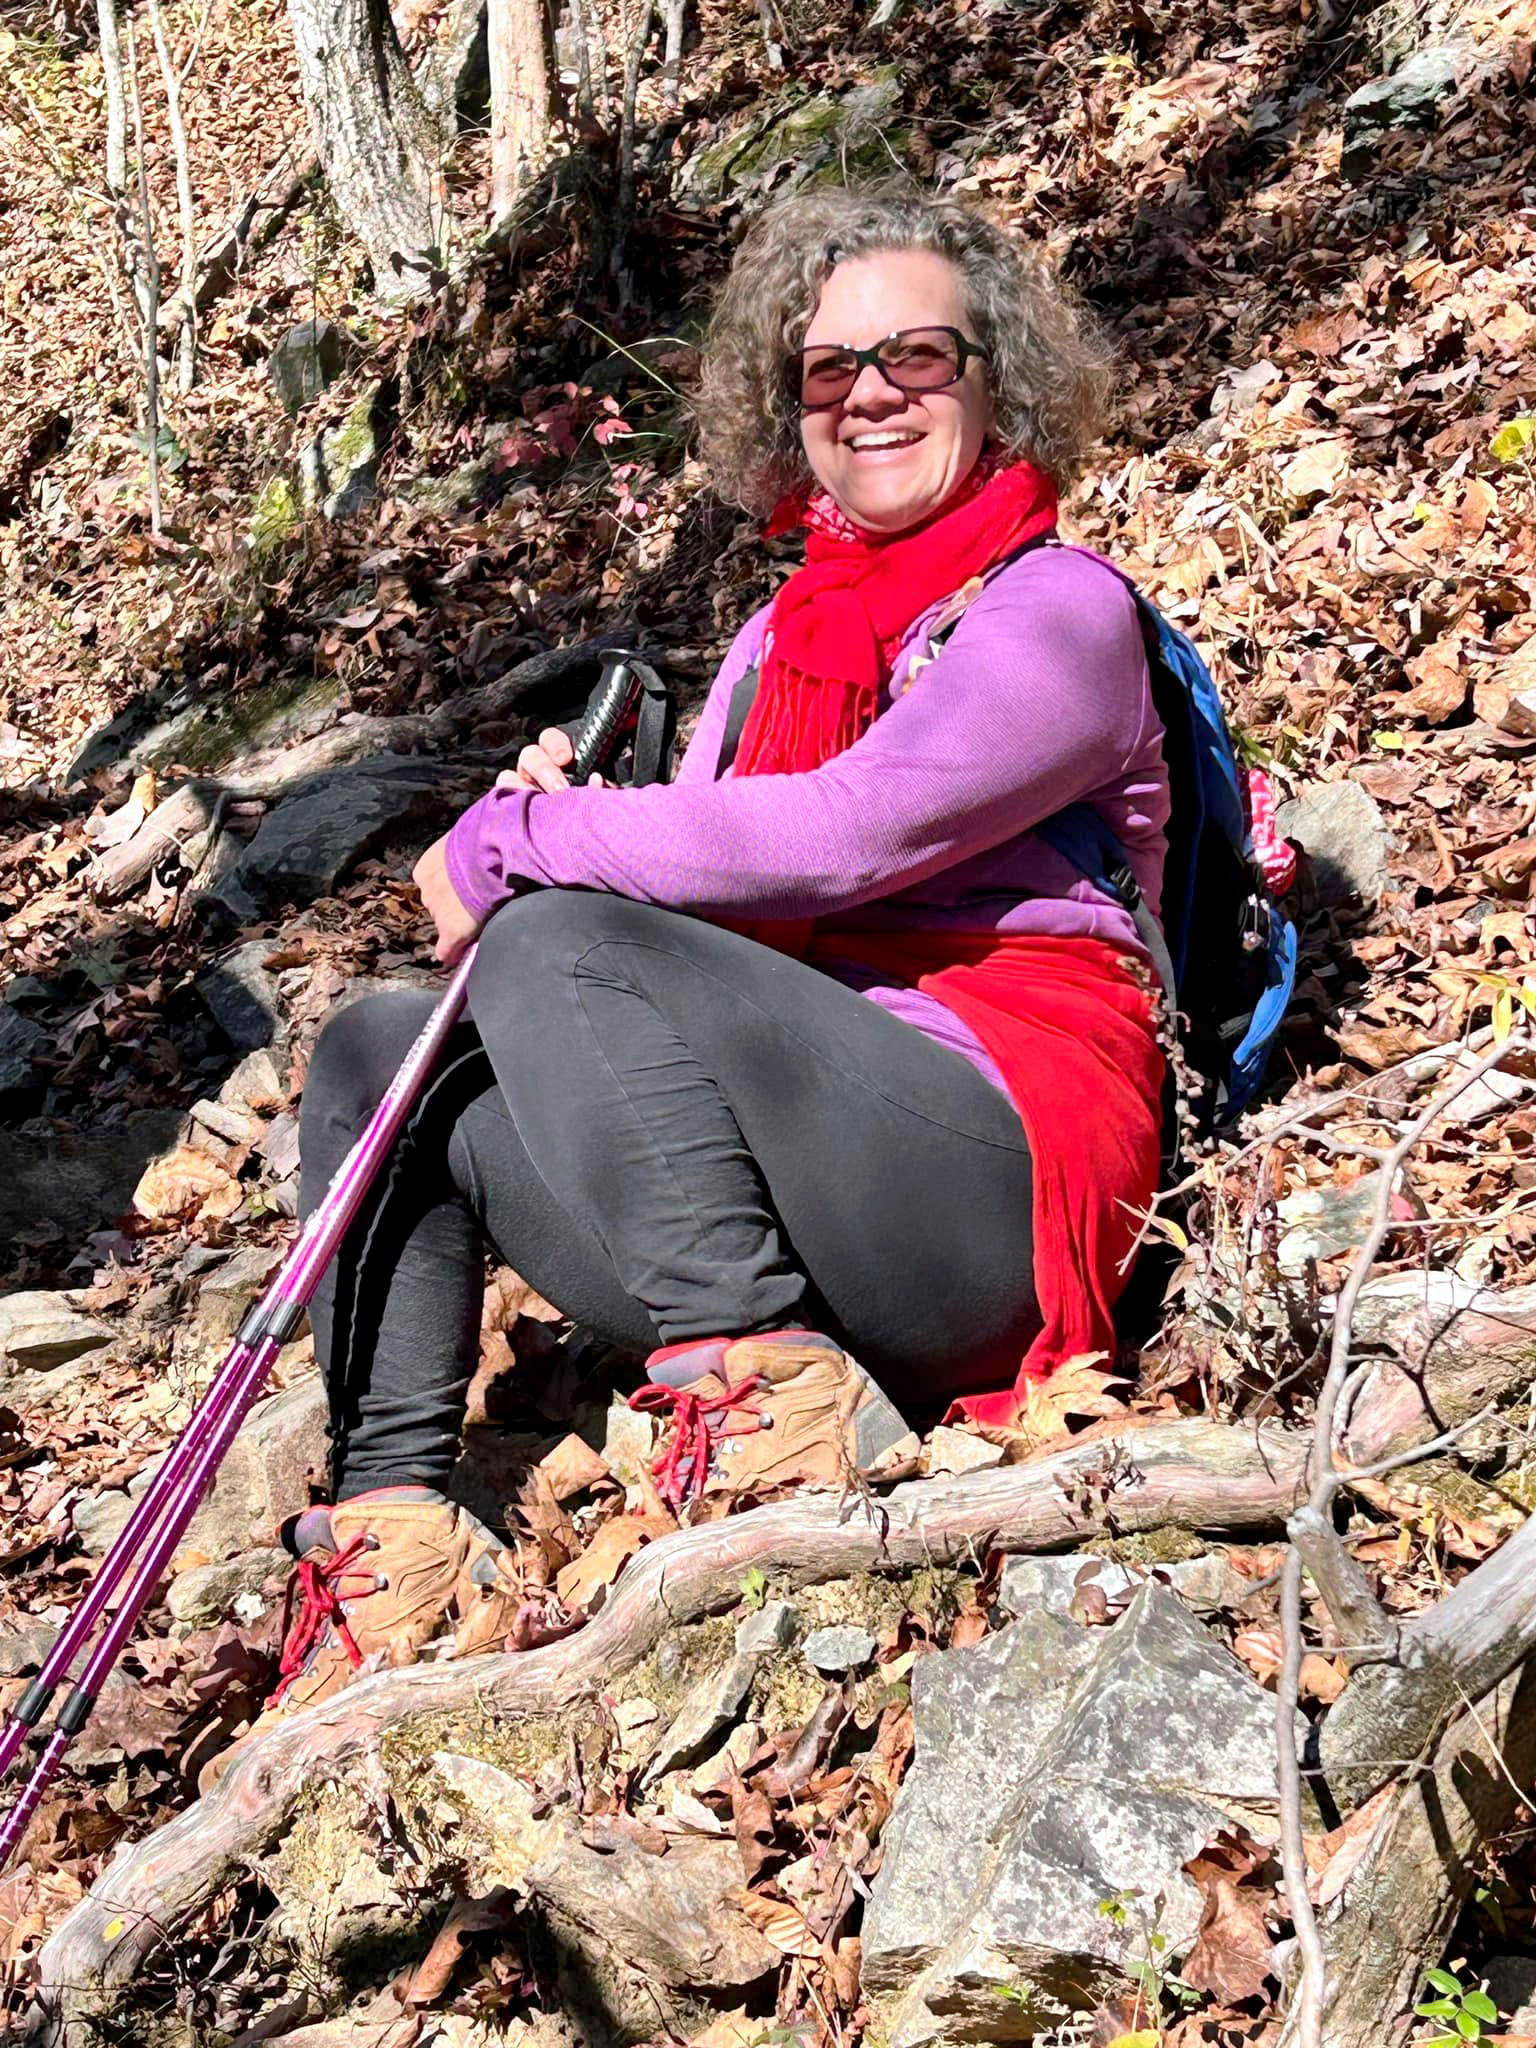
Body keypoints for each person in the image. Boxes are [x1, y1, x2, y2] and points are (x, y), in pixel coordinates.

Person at [231, 182, 1171, 1745]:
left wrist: (525, 851)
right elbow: (704, 887)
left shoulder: (1060, 614)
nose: (868, 394)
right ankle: (392, 1543)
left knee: (557, 933)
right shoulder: (776, 643)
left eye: (917, 358)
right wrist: (577, 820)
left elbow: (847, 837)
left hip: (993, 1178)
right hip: (807, 1166)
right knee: (376, 1050)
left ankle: (780, 1423)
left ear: (996, 379)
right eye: (826, 372)